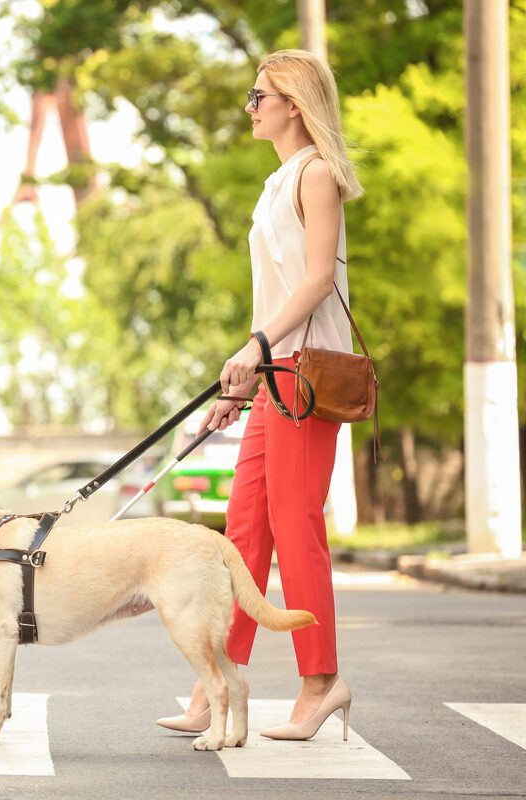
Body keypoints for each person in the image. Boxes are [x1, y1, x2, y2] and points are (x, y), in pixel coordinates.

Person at [156, 49, 362, 741]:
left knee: (297, 528)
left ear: (294, 105)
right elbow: (272, 295)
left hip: (305, 372)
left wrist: (256, 350)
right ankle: (217, 681)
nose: (250, 106)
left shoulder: (317, 175)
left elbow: (315, 284)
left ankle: (321, 681)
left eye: (259, 95)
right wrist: (241, 386)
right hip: (275, 374)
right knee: (242, 534)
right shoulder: (275, 181)